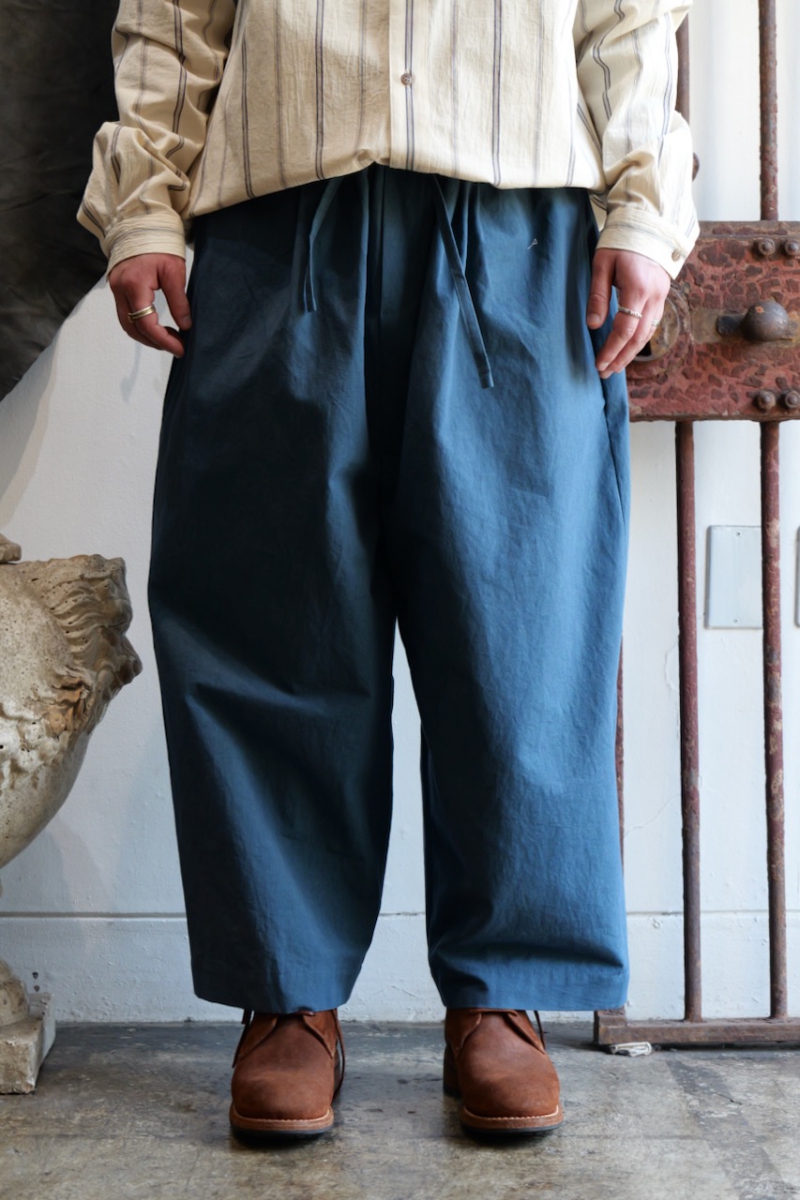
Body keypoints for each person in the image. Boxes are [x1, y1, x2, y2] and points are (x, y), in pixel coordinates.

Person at [80, 0, 698, 1140]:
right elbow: (173, 13)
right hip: (278, 213)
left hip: (519, 216)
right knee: (270, 614)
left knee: (521, 626)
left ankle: (502, 993)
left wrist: (644, 208)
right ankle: (288, 997)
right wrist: (145, 205)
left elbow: (626, 15)